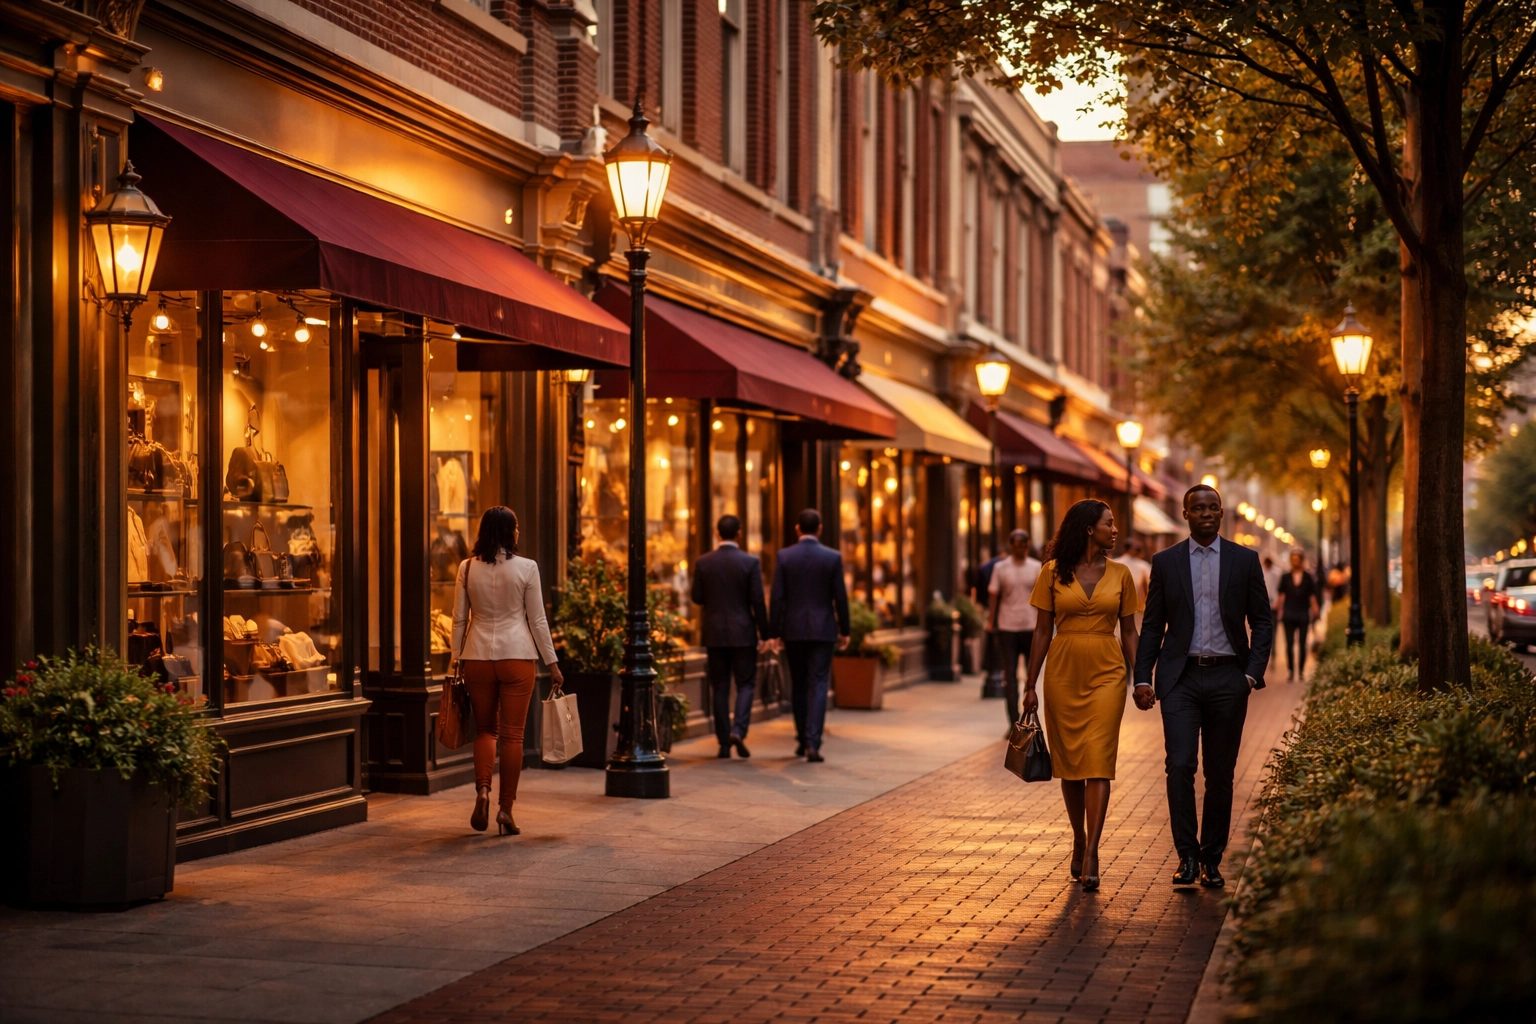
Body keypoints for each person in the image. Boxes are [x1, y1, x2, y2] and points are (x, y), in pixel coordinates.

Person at [1133, 484, 1274, 888]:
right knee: (1179, 765)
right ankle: (1187, 858)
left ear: (1222, 513)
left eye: (1213, 507)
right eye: (1198, 508)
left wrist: (1251, 673)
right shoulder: (1166, 562)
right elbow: (1152, 625)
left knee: (1220, 773)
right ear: (1185, 514)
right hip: (1180, 679)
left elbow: (1262, 620)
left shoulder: (1244, 560)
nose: (1207, 513)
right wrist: (1143, 676)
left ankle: (1212, 858)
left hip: (1229, 678)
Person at [1021, 500, 1141, 892]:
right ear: (1089, 528)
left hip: (1108, 671)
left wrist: (1142, 678)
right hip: (1063, 670)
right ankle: (1078, 834)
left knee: (1099, 761)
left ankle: (1092, 850)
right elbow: (1041, 632)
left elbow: (1129, 632)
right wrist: (1029, 686)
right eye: (1109, 524)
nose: (1115, 530)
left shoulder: (1122, 574)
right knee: (1070, 763)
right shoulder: (1052, 573)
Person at [451, 506, 562, 837]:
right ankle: (505, 810)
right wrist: (552, 663)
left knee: (485, 730)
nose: (518, 533)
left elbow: (459, 619)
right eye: (516, 528)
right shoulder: (527, 568)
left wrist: (456, 659)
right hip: (517, 656)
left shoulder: (467, 568)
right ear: (509, 532)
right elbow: (537, 620)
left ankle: (482, 790)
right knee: (512, 735)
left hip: (477, 657)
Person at [768, 509, 851, 762]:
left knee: (799, 684)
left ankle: (803, 738)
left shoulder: (784, 556)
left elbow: (777, 597)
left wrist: (773, 632)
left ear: (797, 529)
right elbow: (840, 596)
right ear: (820, 528)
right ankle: (813, 742)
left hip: (793, 630)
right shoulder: (832, 557)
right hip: (823, 630)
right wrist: (845, 630)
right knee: (818, 684)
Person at [691, 514, 769, 758]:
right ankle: (739, 729)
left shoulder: (704, 562)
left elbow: (696, 597)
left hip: (715, 633)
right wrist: (766, 633)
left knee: (720, 686)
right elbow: (757, 600)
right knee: (745, 683)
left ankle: (724, 742)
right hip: (743, 632)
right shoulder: (750, 562)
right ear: (739, 533)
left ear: (717, 533)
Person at [987, 529, 1042, 724]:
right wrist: (990, 621)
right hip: (1007, 626)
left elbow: (1043, 598)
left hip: (1030, 625)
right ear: (1010, 546)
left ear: (1028, 546)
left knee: (1031, 677)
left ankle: (1029, 719)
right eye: (1016, 544)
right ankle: (1013, 721)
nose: (1020, 548)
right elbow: (994, 595)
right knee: (1009, 676)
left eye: (1023, 544)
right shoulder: (1001, 568)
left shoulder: (1036, 567)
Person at [1275, 549, 1319, 681]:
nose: (1295, 561)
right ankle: (1290, 671)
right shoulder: (1285, 577)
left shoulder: (1308, 577)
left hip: (1303, 613)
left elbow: (1312, 595)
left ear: (1301, 560)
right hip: (1289, 614)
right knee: (1289, 644)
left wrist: (1315, 608)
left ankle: (1300, 671)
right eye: (1293, 559)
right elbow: (1281, 595)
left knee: (1302, 643)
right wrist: (1278, 609)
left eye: (1297, 559)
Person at [1118, 537, 1153, 631]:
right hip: (1137, 609)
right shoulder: (1143, 566)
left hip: (1117, 608)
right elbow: (1150, 587)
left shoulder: (1115, 563)